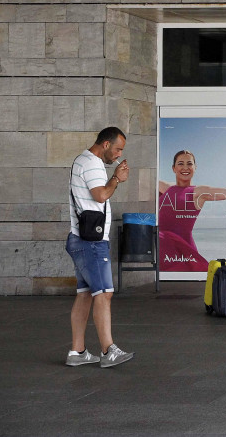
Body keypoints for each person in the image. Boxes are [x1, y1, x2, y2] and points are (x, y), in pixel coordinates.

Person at [66, 127, 133, 368]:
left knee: (85, 295)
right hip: (91, 243)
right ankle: (108, 351)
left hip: (79, 238)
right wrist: (116, 178)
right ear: (105, 144)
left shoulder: (81, 159)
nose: (118, 155)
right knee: (104, 293)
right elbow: (101, 195)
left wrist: (113, 176)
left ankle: (78, 351)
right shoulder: (93, 163)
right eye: (117, 149)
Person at [158, 150, 226, 272]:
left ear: (195, 167)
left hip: (182, 247)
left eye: (189, 164)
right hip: (161, 245)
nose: (185, 167)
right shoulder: (166, 188)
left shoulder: (199, 192)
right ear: (173, 168)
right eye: (180, 163)